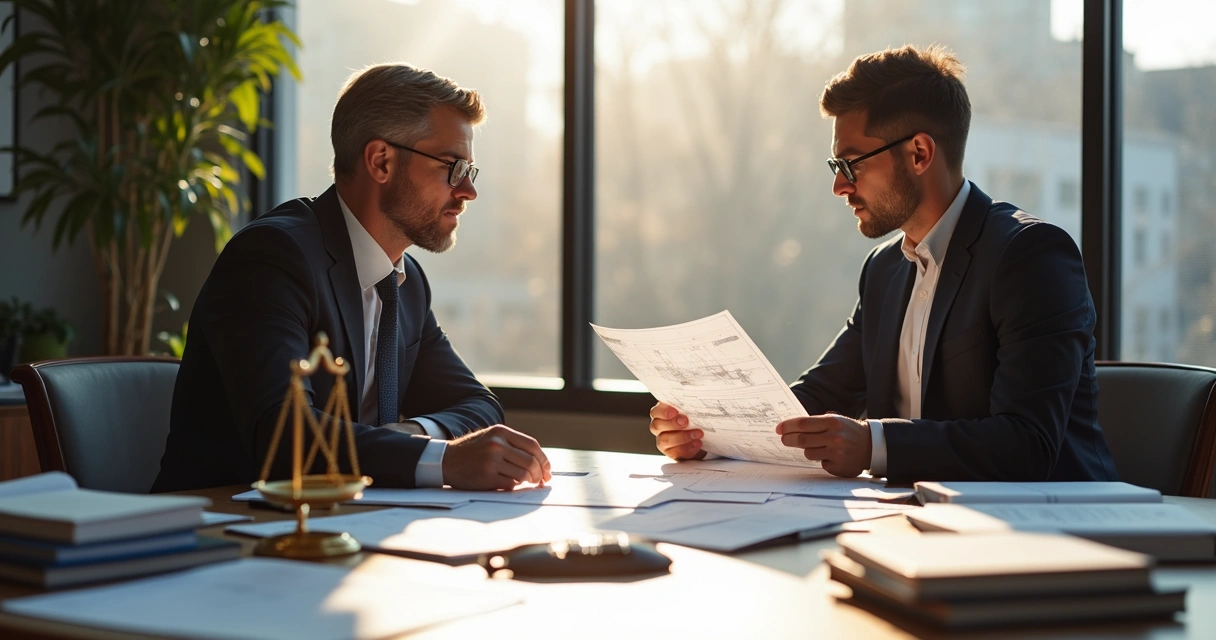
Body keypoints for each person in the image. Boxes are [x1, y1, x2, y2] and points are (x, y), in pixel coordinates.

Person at [648, 45, 1118, 483]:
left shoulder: (1030, 255)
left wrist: (872, 444)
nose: (840, 187)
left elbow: (1027, 445)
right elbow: (815, 399)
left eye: (851, 165)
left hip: (1056, 537)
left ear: (919, 153)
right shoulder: (884, 270)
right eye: (836, 169)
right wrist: (706, 433)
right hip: (917, 527)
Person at [153, 63, 551, 492]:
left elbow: (479, 406)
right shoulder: (272, 257)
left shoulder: (406, 281)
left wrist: (408, 437)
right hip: (223, 532)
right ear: (381, 161)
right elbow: (284, 437)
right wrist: (443, 459)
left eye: (469, 172)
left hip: (344, 525)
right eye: (453, 167)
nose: (468, 191)